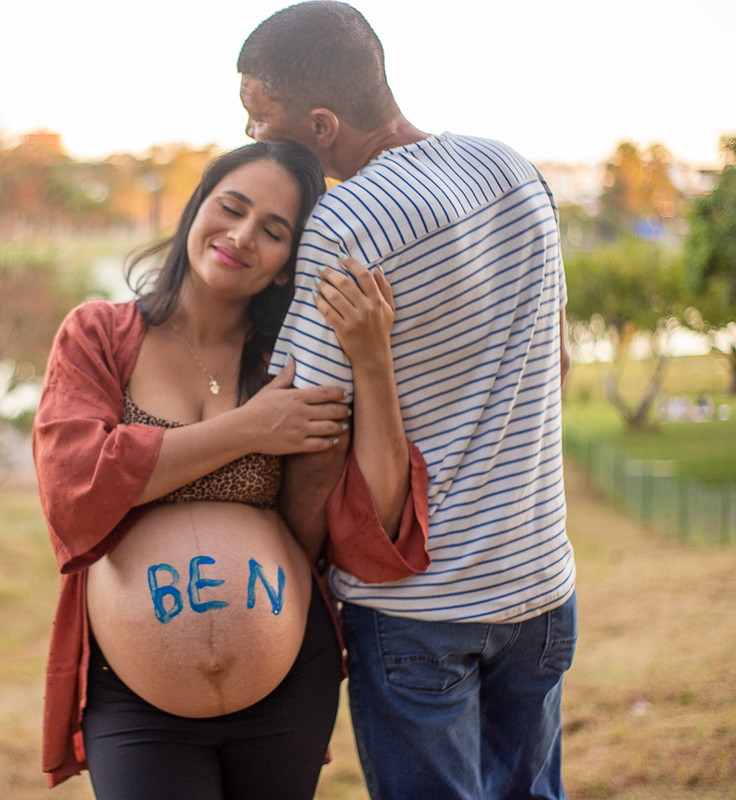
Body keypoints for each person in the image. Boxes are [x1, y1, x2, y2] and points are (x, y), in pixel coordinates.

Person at [237, 4, 577, 799]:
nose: (252, 136)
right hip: (541, 582)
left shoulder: (347, 221)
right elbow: (556, 360)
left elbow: (315, 426)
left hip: (419, 607)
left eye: (263, 119)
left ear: (320, 125)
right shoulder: (515, 168)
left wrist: (296, 565)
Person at [32, 141, 431, 798]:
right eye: (232, 208)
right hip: (135, 696)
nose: (243, 236)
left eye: (274, 231)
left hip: (285, 693)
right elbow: (74, 488)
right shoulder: (98, 334)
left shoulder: (294, 363)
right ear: (197, 210)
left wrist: (370, 360)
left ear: (287, 265)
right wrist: (247, 429)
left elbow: (376, 517)